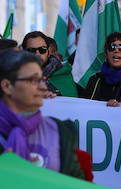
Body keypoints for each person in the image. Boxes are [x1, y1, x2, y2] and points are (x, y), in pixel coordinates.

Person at [0, 50, 85, 178]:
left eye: (42, 79)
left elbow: (76, 187)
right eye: (34, 80)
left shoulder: (61, 131)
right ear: (7, 86)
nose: (44, 87)